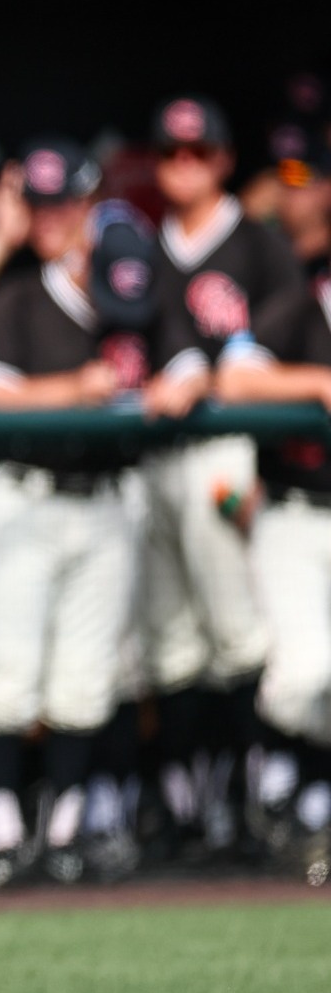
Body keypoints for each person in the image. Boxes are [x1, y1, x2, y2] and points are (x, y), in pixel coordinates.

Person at [0, 140, 157, 887]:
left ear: (88, 202)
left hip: (105, 497)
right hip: (25, 494)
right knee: (8, 671)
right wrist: (81, 386)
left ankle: (63, 828)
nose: (52, 218)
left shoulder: (129, 279)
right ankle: (5, 829)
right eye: (39, 205)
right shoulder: (19, 290)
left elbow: (182, 356)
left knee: (85, 677)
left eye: (64, 202)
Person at [137, 94, 300, 862]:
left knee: (236, 630)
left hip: (224, 451)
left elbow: (269, 343)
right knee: (172, 640)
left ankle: (258, 803)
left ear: (224, 159)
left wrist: (207, 371)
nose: (183, 165)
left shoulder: (260, 243)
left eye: (197, 152)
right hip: (154, 458)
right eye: (171, 152)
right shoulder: (143, 244)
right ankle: (189, 807)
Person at [214, 245, 331, 886]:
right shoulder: (300, 306)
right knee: (305, 671)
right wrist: (316, 380)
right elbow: (233, 381)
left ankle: (306, 793)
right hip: (293, 509)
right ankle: (281, 776)